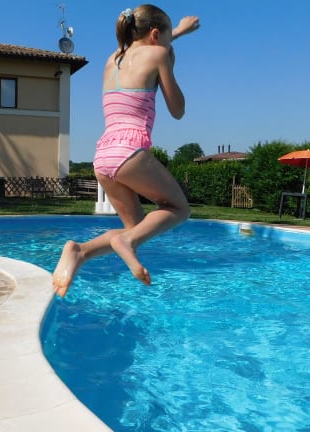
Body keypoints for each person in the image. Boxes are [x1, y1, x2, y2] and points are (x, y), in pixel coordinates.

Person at [52, 4, 200, 297]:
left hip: (103, 157)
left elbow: (143, 46)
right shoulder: (160, 55)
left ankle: (79, 251)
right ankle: (125, 243)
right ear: (156, 35)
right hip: (130, 151)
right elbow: (178, 110)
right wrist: (171, 62)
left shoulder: (114, 58)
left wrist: (177, 32)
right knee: (179, 209)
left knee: (136, 229)